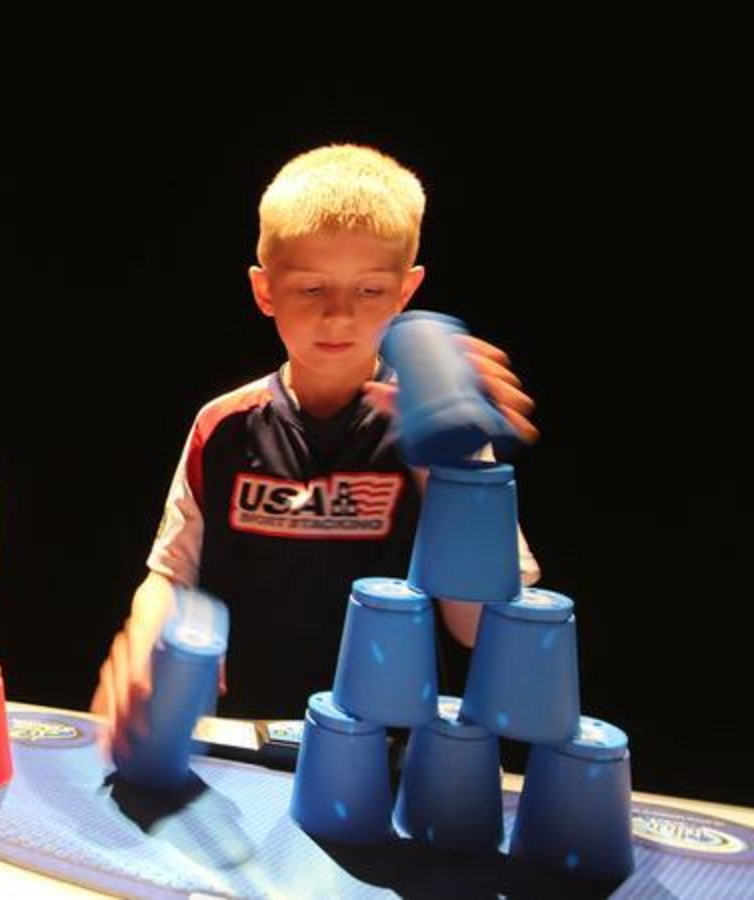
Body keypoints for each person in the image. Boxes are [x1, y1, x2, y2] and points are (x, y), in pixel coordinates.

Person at [92, 144, 540, 747]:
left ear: (406, 291)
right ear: (265, 290)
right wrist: (142, 646)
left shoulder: (439, 434)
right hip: (238, 743)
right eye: (311, 289)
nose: (338, 316)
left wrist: (456, 470)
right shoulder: (222, 424)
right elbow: (170, 577)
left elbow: (476, 626)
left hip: (389, 754)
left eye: (370, 291)